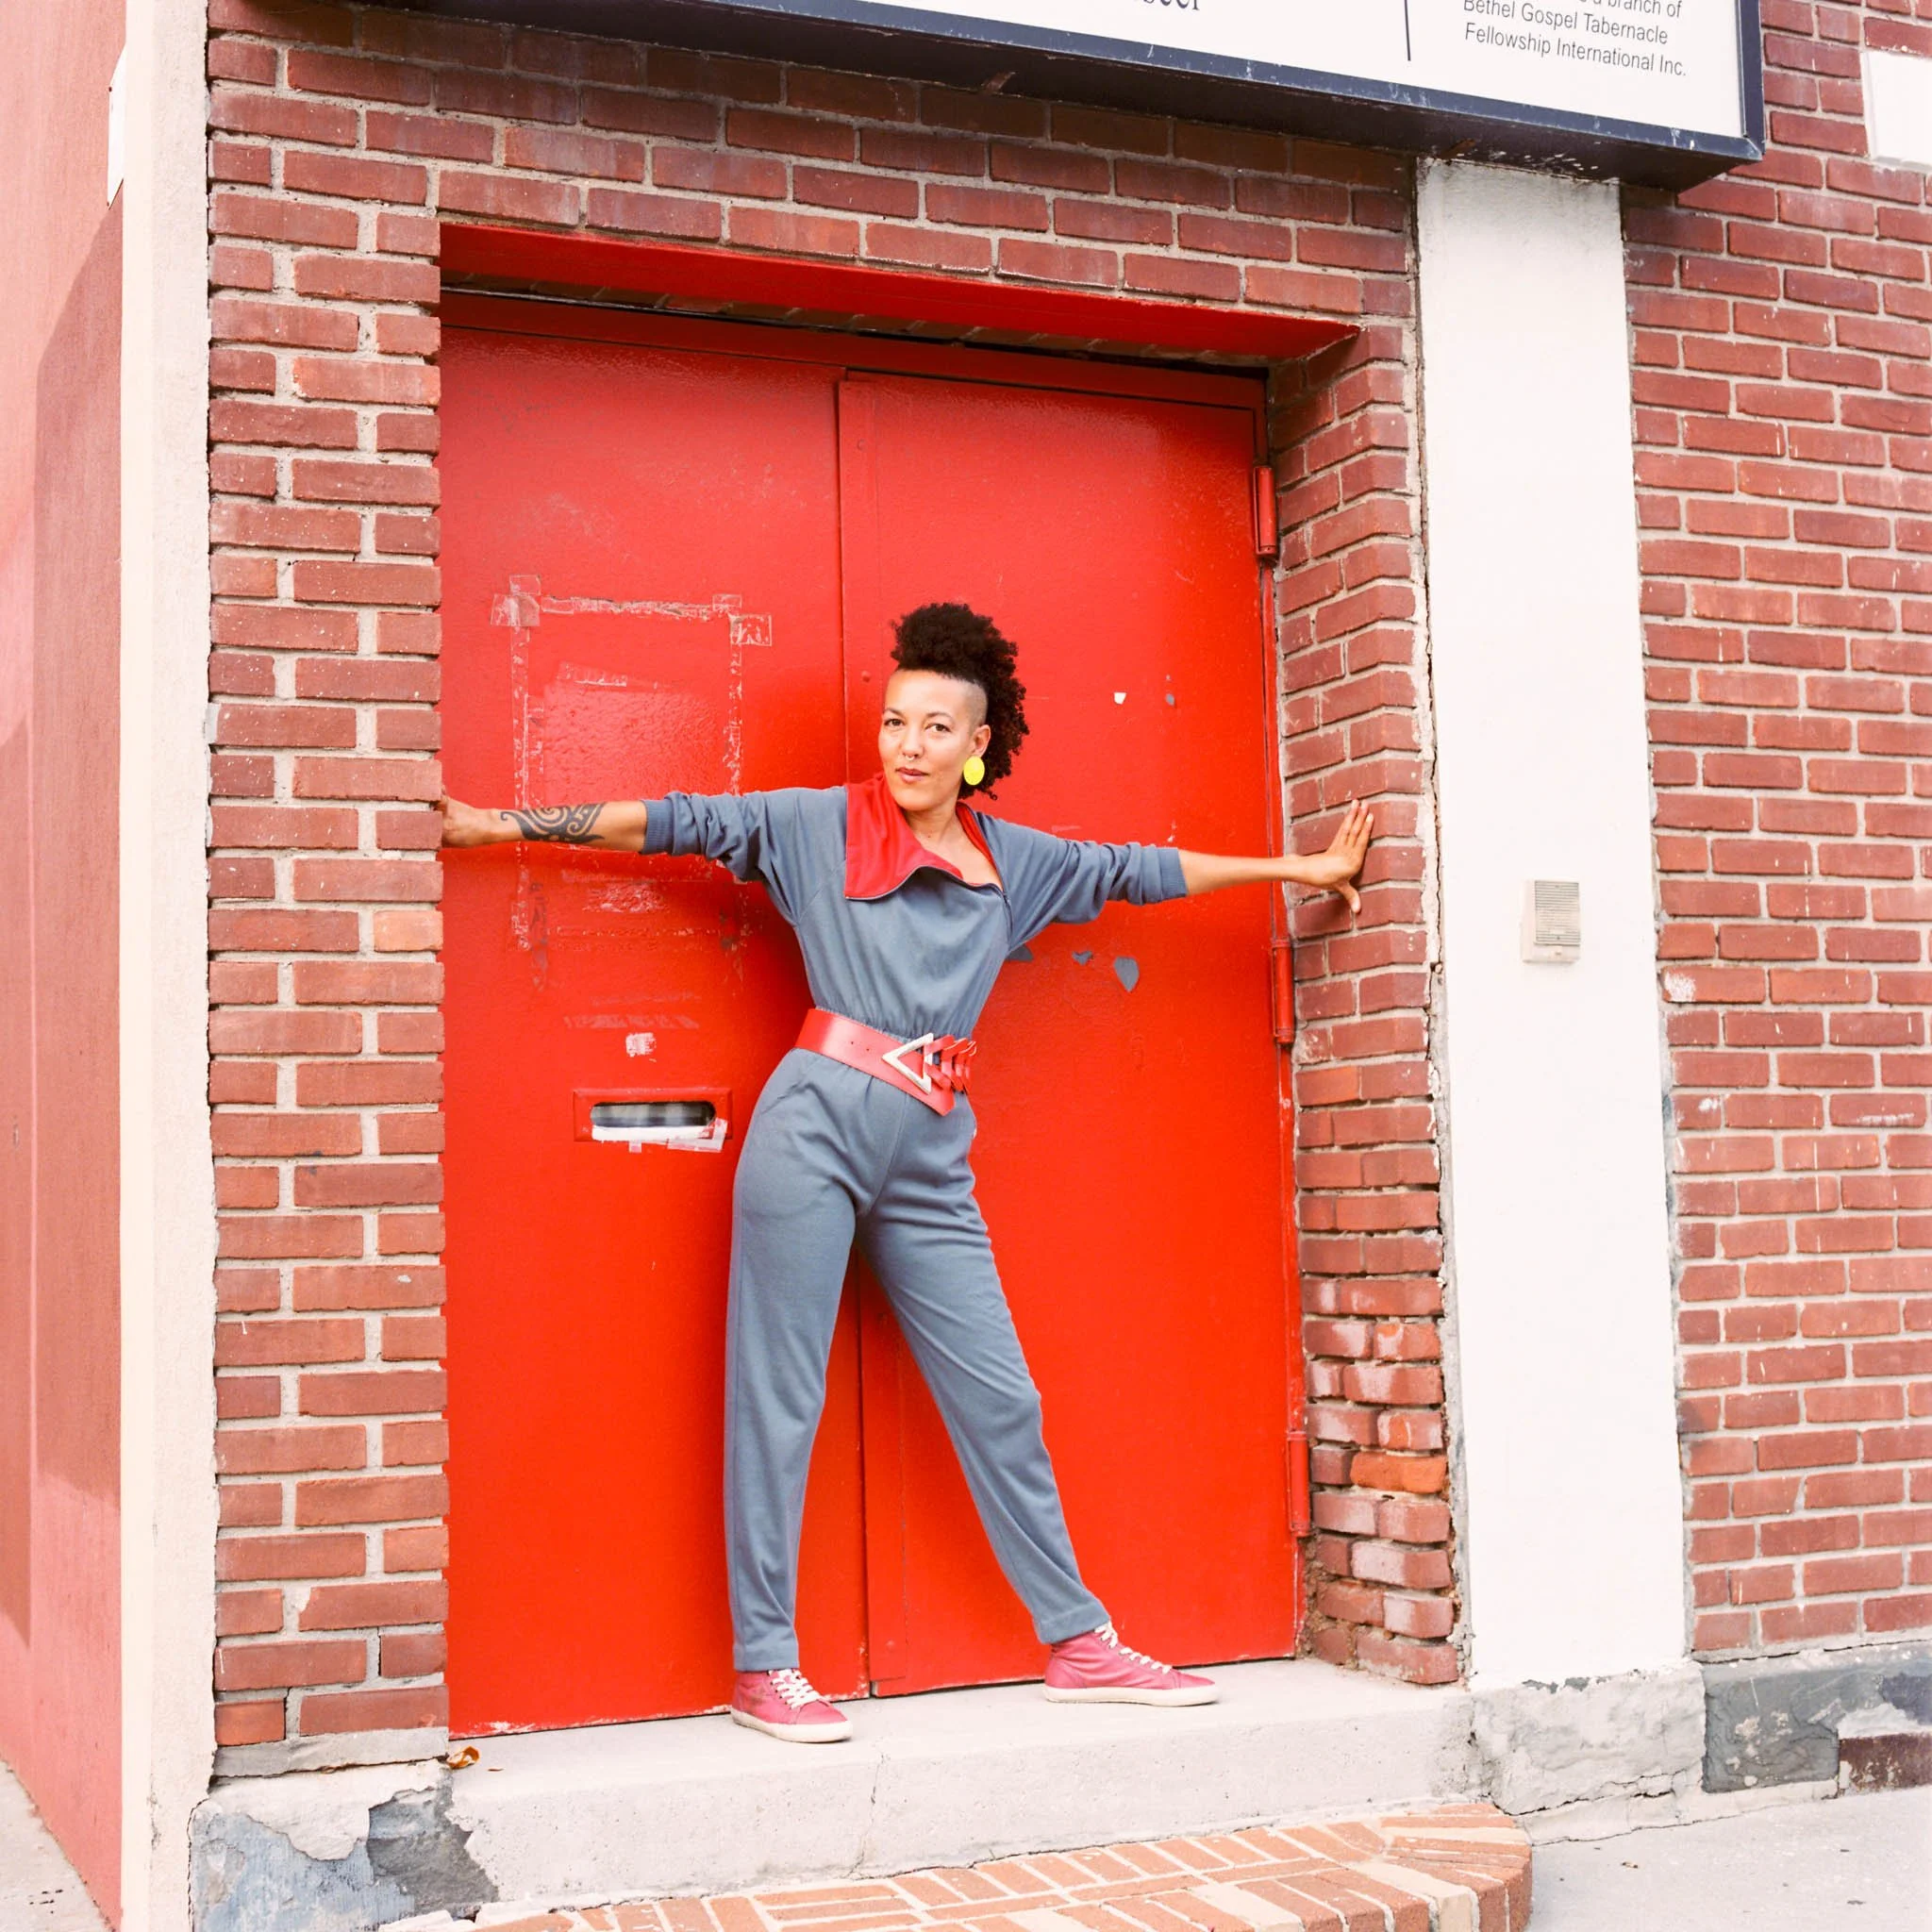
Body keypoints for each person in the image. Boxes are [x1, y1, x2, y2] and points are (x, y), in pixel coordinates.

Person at [441, 602, 1373, 1743]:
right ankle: (765, 1664)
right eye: (892, 721)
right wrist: (499, 823)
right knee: (781, 1392)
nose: (907, 743)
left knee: (1001, 1392)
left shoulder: (1010, 861)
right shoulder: (814, 825)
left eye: (935, 726)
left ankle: (1077, 1640)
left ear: (975, 744)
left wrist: (1301, 866)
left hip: (932, 1152)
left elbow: (1143, 869)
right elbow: (671, 821)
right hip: (816, 1123)